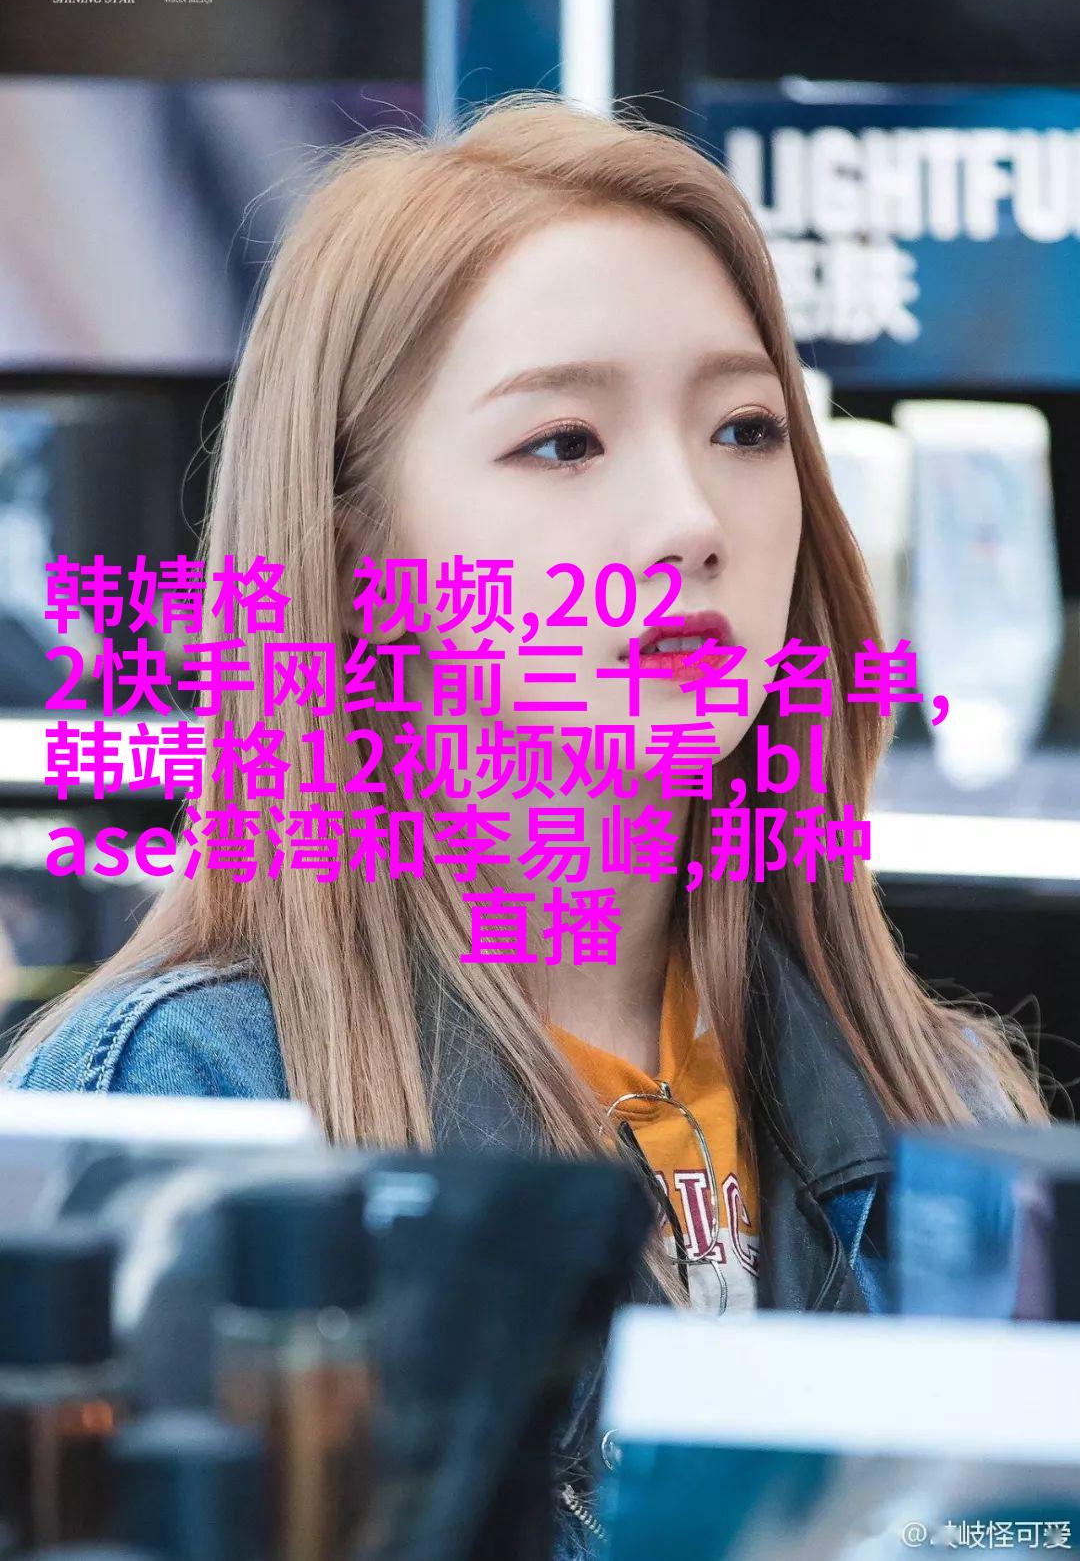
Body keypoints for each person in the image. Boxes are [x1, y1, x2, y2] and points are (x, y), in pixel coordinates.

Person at [1, 93, 1048, 1554]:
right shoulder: (180, 1109)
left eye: (747, 428)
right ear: (356, 549)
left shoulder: (954, 1114)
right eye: (564, 444)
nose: (693, 521)